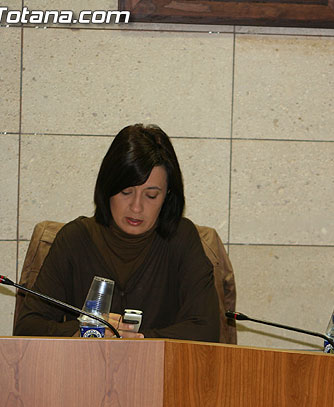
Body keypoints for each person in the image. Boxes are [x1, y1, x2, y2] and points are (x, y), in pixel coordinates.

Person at [14, 124, 220, 341]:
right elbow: (27, 327)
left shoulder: (181, 238)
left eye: (151, 195)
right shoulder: (74, 239)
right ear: (108, 187)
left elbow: (206, 330)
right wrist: (84, 331)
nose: (136, 207)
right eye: (126, 192)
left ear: (167, 195)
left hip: (160, 363)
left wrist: (137, 341)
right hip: (86, 363)